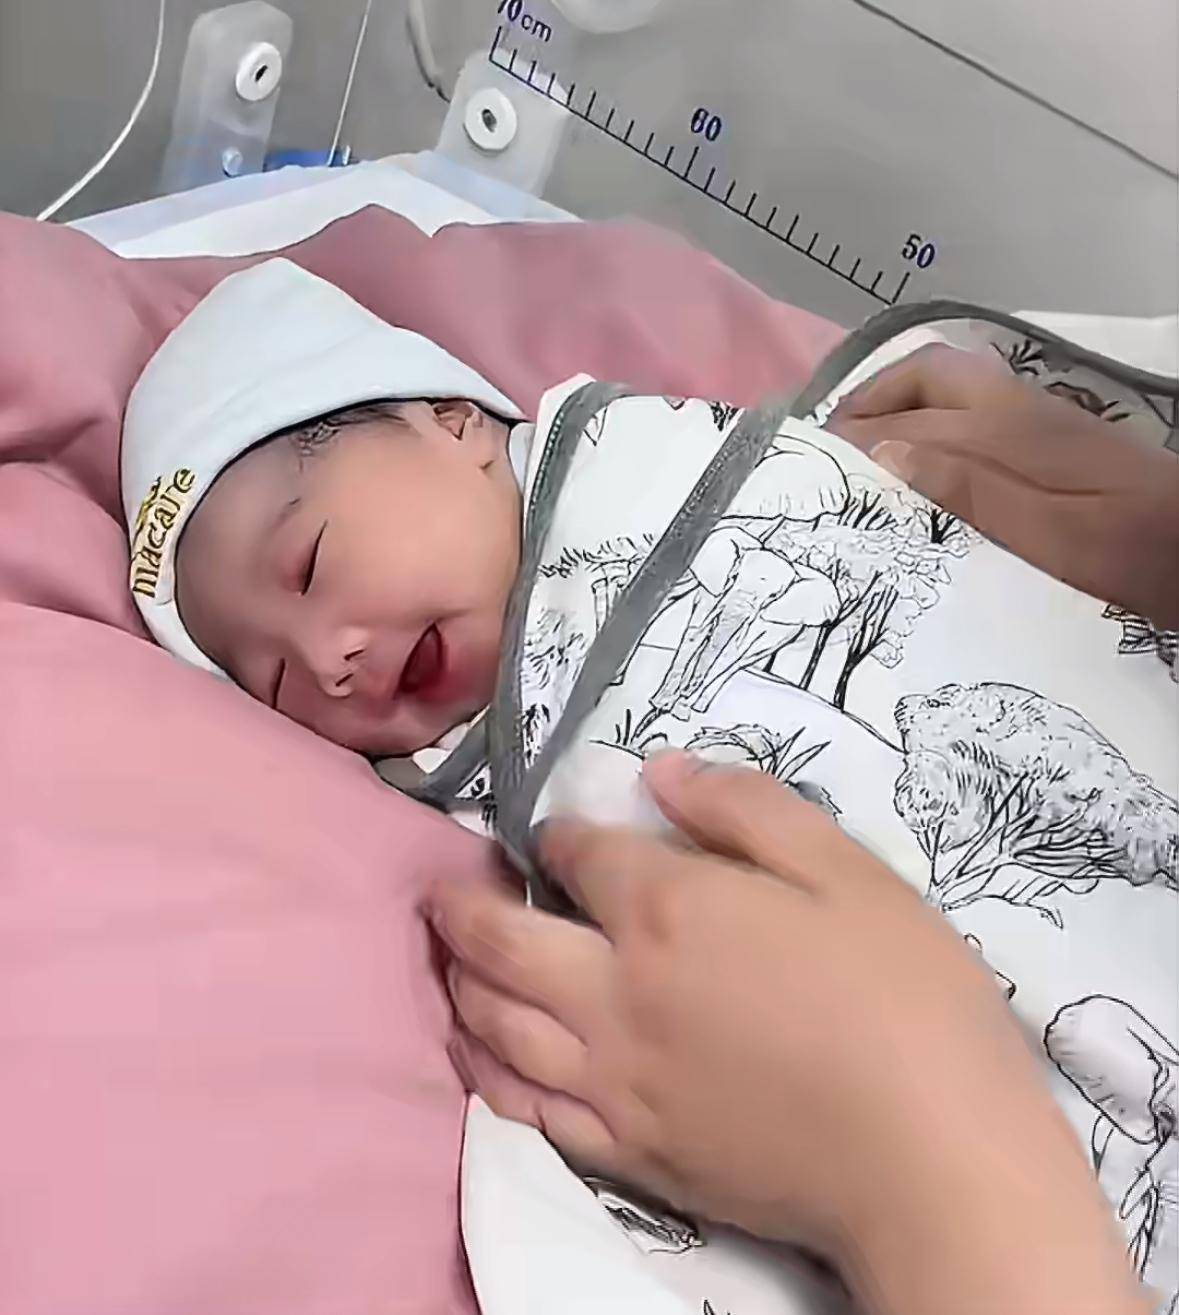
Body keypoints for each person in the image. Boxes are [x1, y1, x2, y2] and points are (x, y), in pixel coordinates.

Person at [121, 259, 1176, 1314]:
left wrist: (912, 1162)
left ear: (454, 423)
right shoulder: (478, 788)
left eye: (310, 561)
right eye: (275, 680)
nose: (326, 658)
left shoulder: (684, 474)